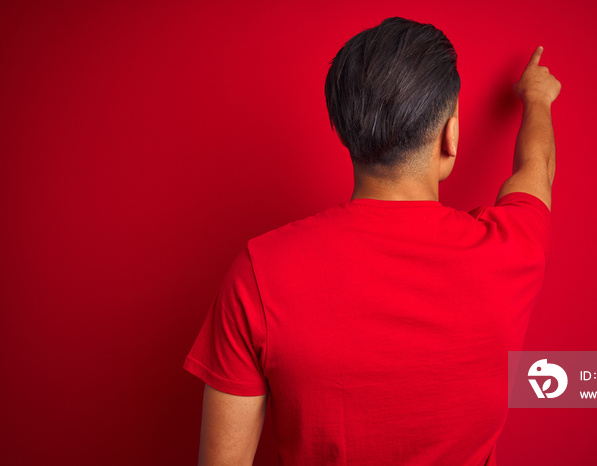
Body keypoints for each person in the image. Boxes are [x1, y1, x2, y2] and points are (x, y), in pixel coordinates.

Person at [183, 16, 561, 466]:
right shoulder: (513, 250)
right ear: (450, 135)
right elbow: (536, 168)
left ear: (345, 131)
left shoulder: (260, 271)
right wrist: (538, 99)